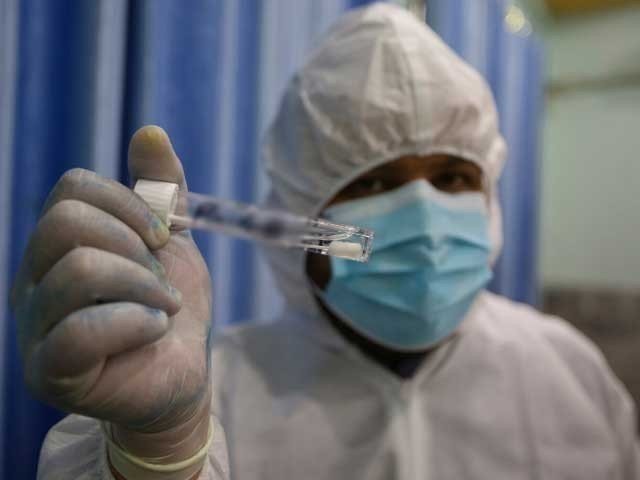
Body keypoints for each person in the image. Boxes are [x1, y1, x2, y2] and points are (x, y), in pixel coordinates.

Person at [10, 4, 638, 479]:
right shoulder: (218, 390)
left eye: (452, 177)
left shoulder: (569, 375)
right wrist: (158, 450)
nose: (424, 218)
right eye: (376, 182)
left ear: (490, 199)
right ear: (299, 220)